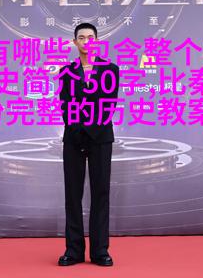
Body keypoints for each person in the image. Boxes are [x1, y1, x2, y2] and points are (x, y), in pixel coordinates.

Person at [57, 22, 120, 267]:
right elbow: (65, 104)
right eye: (81, 37)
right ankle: (73, 250)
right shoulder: (66, 71)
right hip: (73, 138)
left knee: (100, 194)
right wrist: (78, 131)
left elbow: (108, 104)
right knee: (72, 195)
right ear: (75, 42)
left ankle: (100, 251)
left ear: (97, 41)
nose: (86, 41)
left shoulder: (110, 69)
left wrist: (89, 132)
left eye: (90, 37)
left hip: (100, 138)